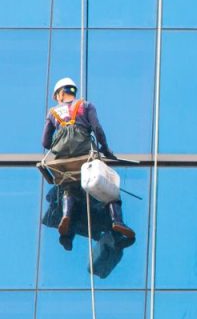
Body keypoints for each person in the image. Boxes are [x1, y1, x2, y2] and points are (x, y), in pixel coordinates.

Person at [42, 77, 134, 250]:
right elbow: (97, 129)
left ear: (61, 94)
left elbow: (45, 141)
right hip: (84, 153)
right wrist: (106, 149)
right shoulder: (85, 106)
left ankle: (66, 215)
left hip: (62, 156)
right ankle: (117, 221)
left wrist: (57, 145)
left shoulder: (52, 112)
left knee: (68, 185)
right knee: (111, 191)